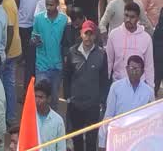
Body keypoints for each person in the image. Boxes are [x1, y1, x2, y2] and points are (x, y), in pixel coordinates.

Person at [63, 20, 109, 151]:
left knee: (91, 140)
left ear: (95, 36)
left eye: (91, 34)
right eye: (86, 33)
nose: (88, 37)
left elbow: (104, 80)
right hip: (75, 104)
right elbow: (66, 77)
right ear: (81, 34)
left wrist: (101, 101)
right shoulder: (72, 52)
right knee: (76, 138)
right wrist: (68, 97)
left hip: (93, 105)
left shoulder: (101, 54)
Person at [98, 55, 155, 150]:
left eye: (137, 69)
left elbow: (151, 120)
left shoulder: (148, 92)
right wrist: (102, 142)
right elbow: (108, 115)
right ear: (127, 69)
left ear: (142, 72)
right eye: (131, 68)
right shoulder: (116, 87)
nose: (134, 71)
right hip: (119, 137)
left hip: (139, 140)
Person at [32, 0, 67, 108]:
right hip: (42, 66)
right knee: (39, 100)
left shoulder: (64, 20)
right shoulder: (38, 19)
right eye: (47, 4)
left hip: (57, 67)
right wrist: (35, 41)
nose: (48, 7)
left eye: (51, 5)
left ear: (57, 4)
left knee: (53, 101)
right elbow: (33, 37)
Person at [105, 2, 155, 88]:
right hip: (118, 84)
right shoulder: (114, 35)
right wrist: (105, 86)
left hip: (139, 86)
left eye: (132, 17)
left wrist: (151, 89)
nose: (128, 19)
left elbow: (149, 66)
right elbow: (108, 62)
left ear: (138, 18)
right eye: (126, 15)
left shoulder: (146, 38)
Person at [33, 79, 66, 151]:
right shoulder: (29, 117)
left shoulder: (58, 121)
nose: (37, 100)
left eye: (41, 97)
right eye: (35, 96)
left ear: (49, 99)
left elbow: (61, 148)